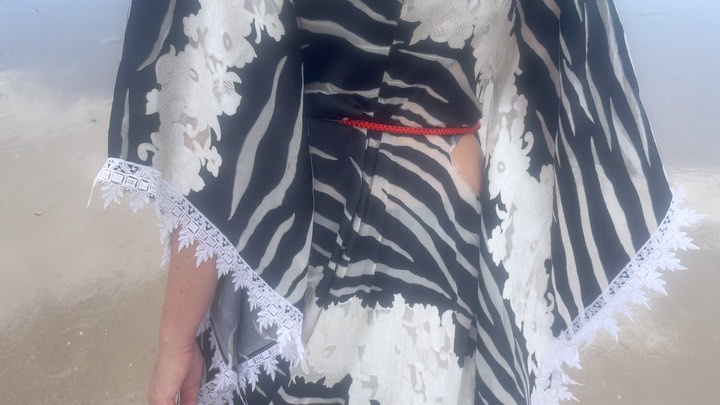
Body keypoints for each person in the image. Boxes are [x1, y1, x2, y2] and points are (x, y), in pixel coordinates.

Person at [94, 0, 697, 404]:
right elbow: (558, 80)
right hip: (454, 249)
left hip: (305, 237)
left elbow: (214, 123)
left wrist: (176, 339)